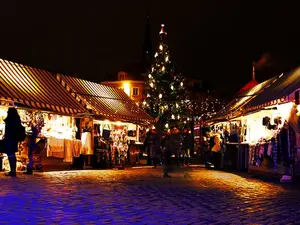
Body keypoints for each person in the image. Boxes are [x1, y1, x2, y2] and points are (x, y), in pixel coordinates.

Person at [4, 107, 22, 176]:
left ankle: (12, 171)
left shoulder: (10, 120)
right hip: (14, 139)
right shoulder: (17, 120)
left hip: (10, 139)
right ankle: (13, 170)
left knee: (10, 154)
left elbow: (8, 130)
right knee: (12, 154)